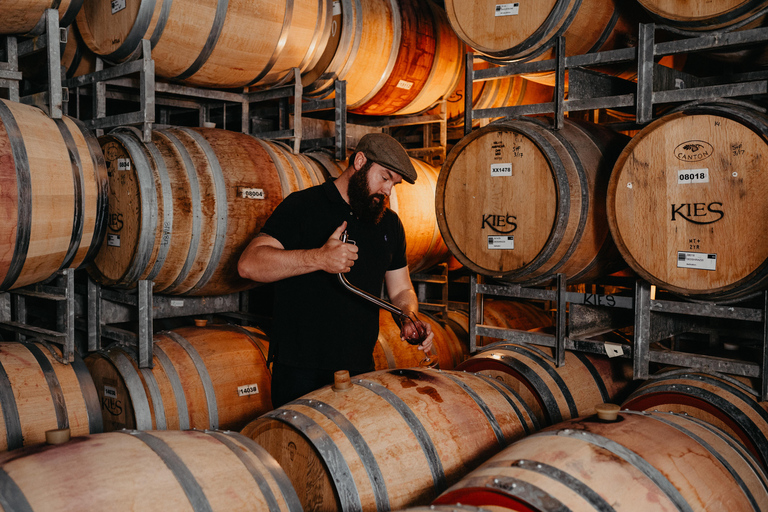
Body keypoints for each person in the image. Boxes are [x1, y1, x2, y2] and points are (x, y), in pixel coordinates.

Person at [238, 132, 435, 407]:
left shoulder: (389, 224)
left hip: (359, 369)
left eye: (395, 183)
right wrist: (319, 258)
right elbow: (249, 264)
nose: (388, 190)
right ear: (360, 161)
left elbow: (401, 288)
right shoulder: (304, 206)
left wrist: (409, 317)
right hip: (299, 369)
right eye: (385, 177)